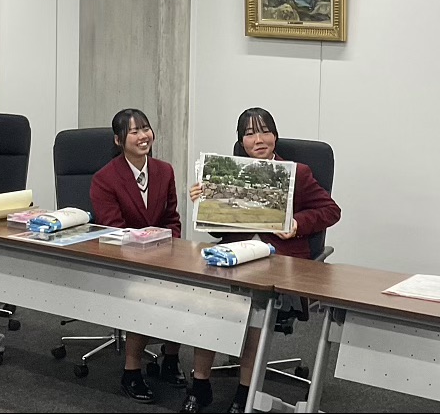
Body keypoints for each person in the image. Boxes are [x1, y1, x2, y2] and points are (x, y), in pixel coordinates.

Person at [180, 107, 341, 414]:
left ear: (275, 136)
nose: (259, 139)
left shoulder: (297, 172)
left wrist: (297, 224)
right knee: (208, 300)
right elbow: (218, 230)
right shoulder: (230, 172)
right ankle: (200, 385)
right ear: (241, 141)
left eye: (265, 131)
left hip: (279, 262)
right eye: (250, 133)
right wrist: (204, 203)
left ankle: (246, 392)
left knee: (254, 306)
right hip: (235, 256)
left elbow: (331, 211)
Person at [89, 108, 186, 404]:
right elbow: (113, 229)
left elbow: (172, 219)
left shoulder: (164, 171)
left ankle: (171, 359)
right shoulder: (104, 179)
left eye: (146, 129)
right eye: (134, 131)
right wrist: (146, 251)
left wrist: (170, 247)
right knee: (144, 292)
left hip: (162, 254)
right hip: (124, 258)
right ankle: (131, 372)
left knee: (186, 287)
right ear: (119, 140)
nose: (143, 136)